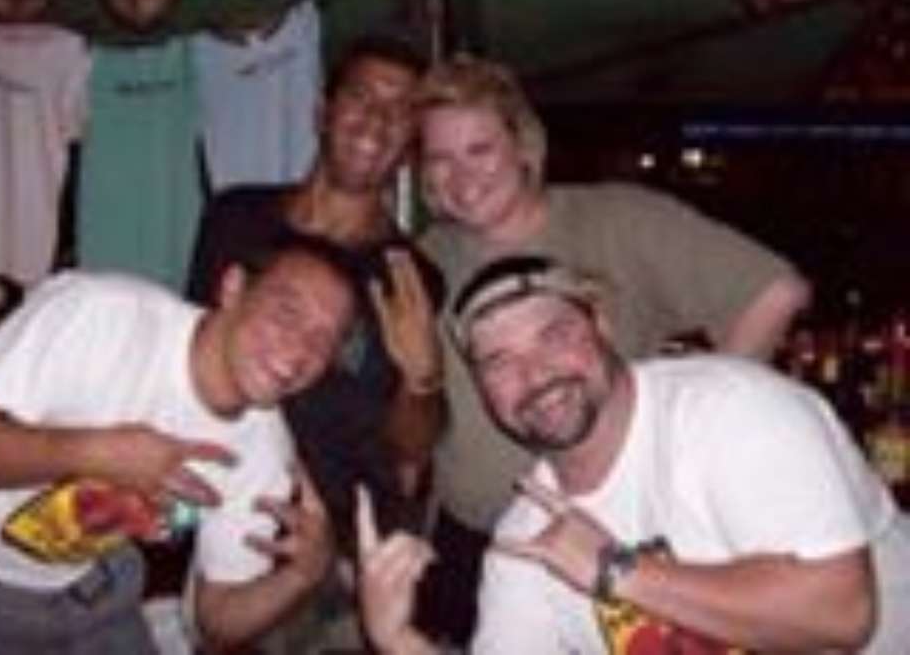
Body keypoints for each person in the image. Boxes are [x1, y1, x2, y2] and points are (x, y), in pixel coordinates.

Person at [412, 53, 812, 643]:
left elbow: (773, 292)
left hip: (615, 540)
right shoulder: (424, 257)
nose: (462, 175)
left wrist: (697, 436)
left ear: (523, 145)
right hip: (475, 542)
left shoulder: (616, 220)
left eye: (480, 149)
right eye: (440, 158)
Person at [357, 255, 910, 654]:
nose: (535, 373)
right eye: (499, 362)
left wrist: (616, 571)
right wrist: (399, 639)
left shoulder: (731, 409)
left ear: (601, 325)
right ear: (482, 391)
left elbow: (842, 613)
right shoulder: (529, 535)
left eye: (554, 335)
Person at [0, 244, 355, 653]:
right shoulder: (101, 316)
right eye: (286, 313)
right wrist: (94, 454)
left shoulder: (264, 449)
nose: (300, 350)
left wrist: (300, 577)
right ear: (233, 288)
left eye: (324, 339)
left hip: (95, 587)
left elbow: (216, 620)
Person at [187, 33, 445, 553]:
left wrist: (422, 380)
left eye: (400, 111)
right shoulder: (235, 217)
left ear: (412, 145)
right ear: (323, 113)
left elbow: (410, 451)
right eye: (360, 97)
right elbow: (188, 355)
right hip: (220, 508)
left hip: (340, 541)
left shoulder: (410, 275)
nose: (376, 121)